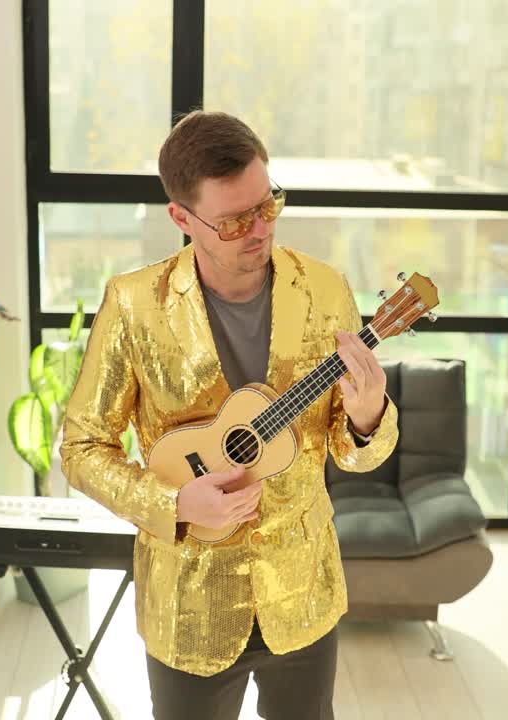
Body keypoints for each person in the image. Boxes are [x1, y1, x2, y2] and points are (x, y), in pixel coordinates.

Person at [60, 110, 399, 720]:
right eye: (234, 220)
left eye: (268, 204)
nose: (259, 228)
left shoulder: (326, 290)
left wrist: (369, 417)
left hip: (302, 591)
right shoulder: (133, 306)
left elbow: (350, 452)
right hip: (188, 604)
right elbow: (82, 449)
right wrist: (174, 504)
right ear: (181, 218)